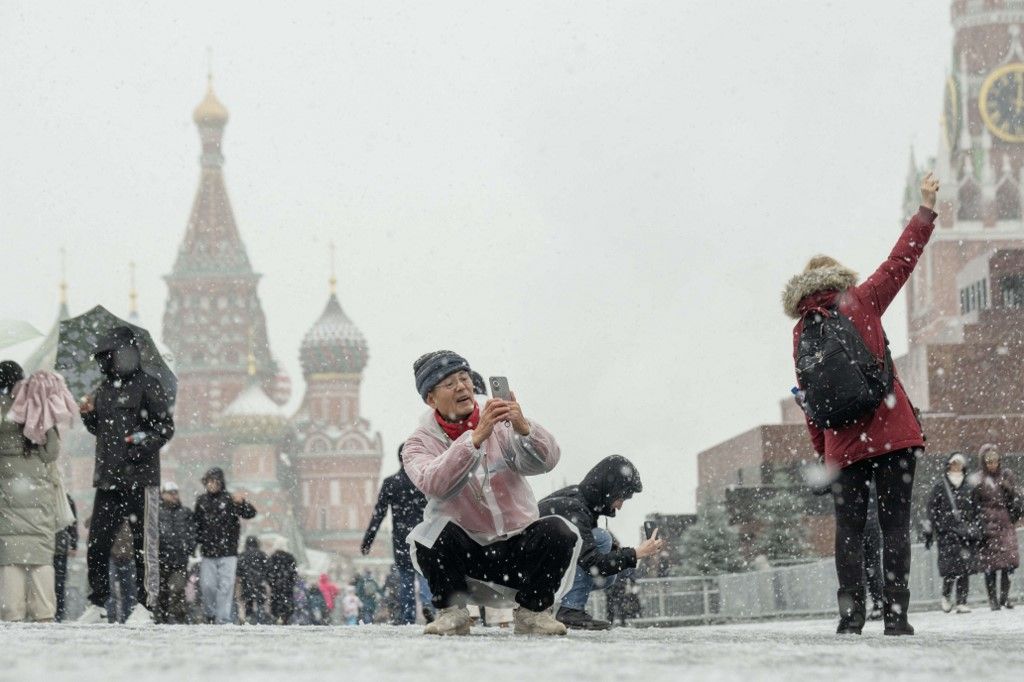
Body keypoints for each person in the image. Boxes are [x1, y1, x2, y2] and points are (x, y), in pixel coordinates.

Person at [783, 173, 940, 636]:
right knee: (895, 526)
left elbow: (808, 398)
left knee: (848, 530)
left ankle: (851, 617)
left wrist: (821, 451)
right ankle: (896, 617)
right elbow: (901, 261)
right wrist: (925, 210)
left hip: (843, 444)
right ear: (837, 276)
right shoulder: (863, 299)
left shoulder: (802, 329)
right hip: (892, 432)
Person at [403, 350, 579, 636]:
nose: (461, 386)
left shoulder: (501, 418)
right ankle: (453, 613)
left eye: (464, 378)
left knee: (559, 531)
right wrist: (472, 440)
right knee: (429, 535)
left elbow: (546, 461)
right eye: (449, 383)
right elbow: (432, 482)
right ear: (431, 399)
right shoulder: (418, 442)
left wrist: (524, 429)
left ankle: (533, 613)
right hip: (467, 552)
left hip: (516, 545)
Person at [78, 327, 174, 623]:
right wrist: (88, 414)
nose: (103, 363)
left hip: (141, 479)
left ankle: (146, 605)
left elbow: (164, 428)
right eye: (101, 358)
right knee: (97, 542)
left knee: (144, 545)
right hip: (108, 478)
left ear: (123, 354)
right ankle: (98, 603)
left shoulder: (149, 385)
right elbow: (100, 430)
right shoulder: (103, 389)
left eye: (107, 357)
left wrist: (139, 445)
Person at [539, 455, 663, 630]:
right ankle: (570, 611)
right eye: (620, 499)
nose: (620, 506)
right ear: (610, 490)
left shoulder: (583, 503)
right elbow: (591, 561)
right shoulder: (575, 507)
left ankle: (560, 608)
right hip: (526, 567)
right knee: (602, 539)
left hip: (538, 565)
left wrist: (618, 553)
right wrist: (636, 553)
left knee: (608, 575)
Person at [0, 361, 65, 622]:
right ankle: (44, 613)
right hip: (39, 497)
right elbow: (52, 452)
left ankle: (12, 613)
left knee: (11, 557)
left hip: (7, 498)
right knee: (40, 557)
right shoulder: (37, 408)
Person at [361, 444, 432, 625]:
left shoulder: (391, 482)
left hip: (401, 538)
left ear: (399, 459)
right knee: (424, 572)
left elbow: (379, 513)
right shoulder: (424, 481)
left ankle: (408, 616)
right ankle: (428, 604)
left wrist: (368, 540)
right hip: (423, 535)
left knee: (406, 577)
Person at [193, 467, 257, 624]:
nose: (211, 485)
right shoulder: (201, 501)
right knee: (207, 586)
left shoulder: (230, 499)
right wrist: (196, 542)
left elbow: (250, 513)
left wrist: (242, 503)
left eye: (215, 481)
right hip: (208, 552)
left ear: (221, 483)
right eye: (209, 481)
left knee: (226, 587)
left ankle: (222, 618)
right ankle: (210, 613)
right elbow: (196, 525)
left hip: (228, 552)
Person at [924, 453, 978, 614]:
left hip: (964, 533)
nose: (956, 466)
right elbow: (931, 510)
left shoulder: (969, 487)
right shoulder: (940, 486)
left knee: (964, 568)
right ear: (948, 465)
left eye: (959, 463)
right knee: (950, 568)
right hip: (946, 532)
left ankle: (962, 601)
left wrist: (974, 528)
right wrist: (932, 530)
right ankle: (946, 596)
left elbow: (976, 510)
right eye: (953, 463)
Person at [970, 444, 1020, 610]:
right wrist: (979, 524)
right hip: (987, 526)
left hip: (1005, 525)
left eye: (995, 461)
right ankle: (993, 600)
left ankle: (1004, 598)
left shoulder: (1005, 477)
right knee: (989, 566)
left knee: (1007, 564)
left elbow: (1015, 499)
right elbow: (974, 505)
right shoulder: (978, 481)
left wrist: (1009, 489)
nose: (992, 464)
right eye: (989, 461)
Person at [156, 481, 196, 624]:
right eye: (170, 493)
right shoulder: (156, 513)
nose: (173, 496)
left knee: (178, 589)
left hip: (179, 560)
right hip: (160, 560)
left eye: (175, 493)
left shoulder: (185, 512)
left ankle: (178, 618)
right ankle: (162, 619)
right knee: (161, 593)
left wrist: (189, 547)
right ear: (163, 495)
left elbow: (193, 532)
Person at [106, 520, 137, 623]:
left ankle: (126, 618)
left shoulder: (132, 516)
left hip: (128, 557)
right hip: (113, 557)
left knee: (129, 592)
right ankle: (111, 618)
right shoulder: (113, 514)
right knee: (112, 591)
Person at [54, 494, 78, 622]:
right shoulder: (66, 498)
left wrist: (74, 543)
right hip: (58, 546)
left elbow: (72, 523)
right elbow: (72, 523)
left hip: (57, 547)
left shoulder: (66, 498)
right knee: (59, 584)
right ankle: (57, 614)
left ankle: (58, 614)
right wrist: (73, 543)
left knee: (58, 584)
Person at [862, 481, 884, 620]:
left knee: (858, 566)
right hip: (873, 524)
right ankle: (879, 604)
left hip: (854, 524)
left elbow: (819, 489)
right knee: (873, 566)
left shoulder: (850, 471)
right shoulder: (875, 479)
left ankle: (857, 607)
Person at [237, 536, 269, 624]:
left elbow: (238, 571)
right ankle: (261, 621)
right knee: (260, 603)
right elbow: (268, 570)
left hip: (246, 583)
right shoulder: (263, 555)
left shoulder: (242, 555)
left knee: (248, 603)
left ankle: (249, 620)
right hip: (260, 584)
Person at [266, 549, 297, 625]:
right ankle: (284, 619)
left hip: (276, 590)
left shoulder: (272, 559)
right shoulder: (290, 559)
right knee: (286, 609)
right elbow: (294, 575)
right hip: (287, 590)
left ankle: (278, 619)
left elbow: (268, 575)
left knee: (276, 608)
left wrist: (272, 583)